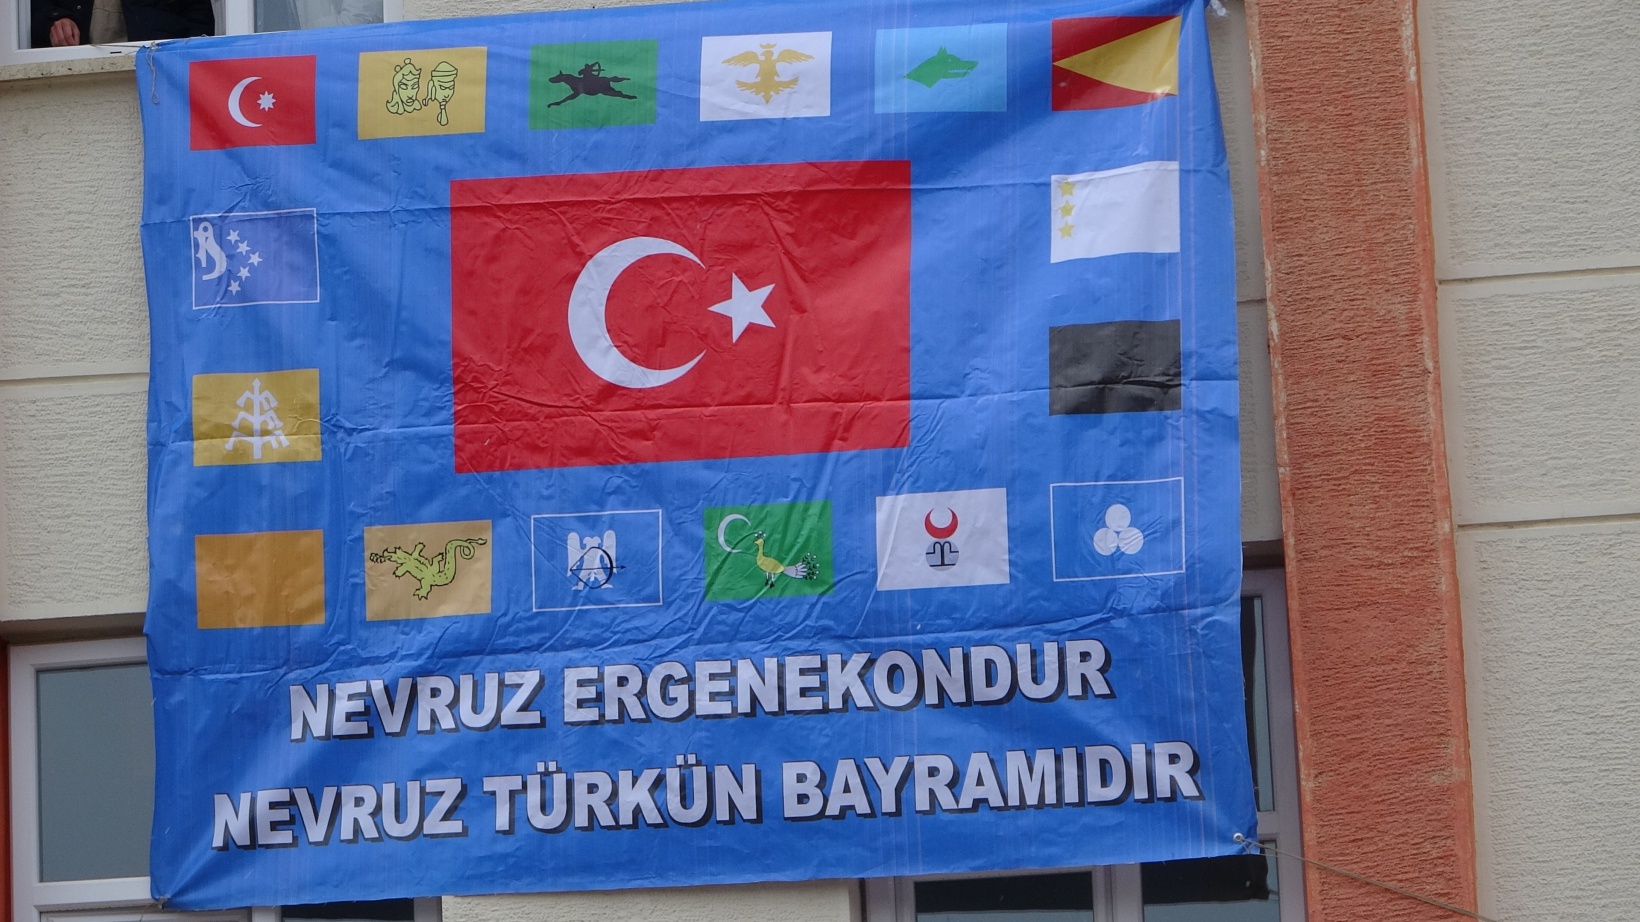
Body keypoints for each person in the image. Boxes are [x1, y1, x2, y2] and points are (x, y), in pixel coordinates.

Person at [31, 0, 212, 48]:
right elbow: (28, 11)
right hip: (76, 79)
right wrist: (54, 20)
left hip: (158, 75)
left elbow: (199, 18)